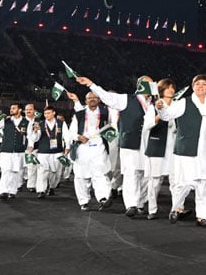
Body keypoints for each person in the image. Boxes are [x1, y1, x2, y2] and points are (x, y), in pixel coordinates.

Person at [76, 76, 153, 217]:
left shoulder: (154, 102)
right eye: (146, 83)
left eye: (151, 82)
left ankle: (141, 203)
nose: (149, 85)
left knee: (146, 175)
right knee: (131, 174)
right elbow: (107, 97)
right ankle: (131, 205)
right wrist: (91, 84)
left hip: (148, 144)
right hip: (130, 142)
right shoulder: (127, 99)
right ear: (139, 85)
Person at [157, 74, 206, 227]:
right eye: (197, 84)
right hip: (188, 149)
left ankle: (202, 216)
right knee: (185, 182)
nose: (201, 87)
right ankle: (176, 208)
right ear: (193, 87)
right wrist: (161, 108)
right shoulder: (183, 103)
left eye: (204, 84)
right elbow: (167, 115)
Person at [67, 91, 114, 211]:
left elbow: (113, 126)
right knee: (81, 175)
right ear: (86, 100)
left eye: (95, 97)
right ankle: (83, 201)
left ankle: (103, 198)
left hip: (99, 146)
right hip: (83, 146)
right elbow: (71, 131)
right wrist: (78, 137)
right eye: (89, 98)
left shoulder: (106, 113)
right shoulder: (79, 114)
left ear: (99, 100)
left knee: (100, 172)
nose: (92, 99)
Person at [143, 79, 178, 220]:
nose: (170, 90)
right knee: (155, 181)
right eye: (167, 88)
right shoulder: (153, 107)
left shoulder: (178, 106)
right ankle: (152, 209)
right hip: (157, 147)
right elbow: (147, 126)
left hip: (174, 148)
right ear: (161, 90)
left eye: (172, 87)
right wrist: (158, 116)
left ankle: (175, 210)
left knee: (175, 181)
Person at [0, 103, 39, 200]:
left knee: (16, 171)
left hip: (19, 151)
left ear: (19, 110)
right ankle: (3, 191)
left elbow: (31, 136)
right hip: (6, 149)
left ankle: (12, 191)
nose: (11, 110)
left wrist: (31, 143)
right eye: (11, 108)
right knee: (6, 170)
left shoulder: (26, 122)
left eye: (13, 108)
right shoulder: (5, 120)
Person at [30, 105, 68, 198]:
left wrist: (68, 146)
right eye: (45, 113)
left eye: (48, 113)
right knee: (42, 171)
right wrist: (35, 132)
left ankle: (51, 187)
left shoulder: (61, 123)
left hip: (57, 151)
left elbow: (67, 136)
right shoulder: (40, 124)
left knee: (56, 172)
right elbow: (35, 139)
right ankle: (41, 190)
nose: (46, 115)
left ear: (53, 113)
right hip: (43, 151)